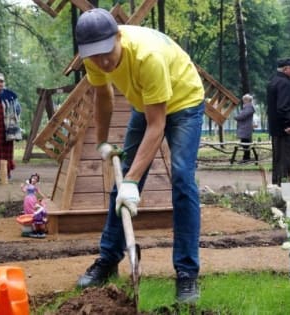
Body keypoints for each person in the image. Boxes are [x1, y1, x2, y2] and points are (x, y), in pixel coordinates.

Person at [75, 8, 205, 303]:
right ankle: (108, 260)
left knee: (183, 180)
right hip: (145, 103)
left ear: (118, 36)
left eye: (107, 52)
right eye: (95, 55)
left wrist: (133, 180)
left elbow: (157, 126)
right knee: (120, 187)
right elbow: (103, 95)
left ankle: (187, 274)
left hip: (184, 104)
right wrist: (102, 141)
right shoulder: (93, 58)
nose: (103, 61)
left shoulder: (148, 57)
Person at [267, 58, 290, 186]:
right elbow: (283, 106)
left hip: (276, 129)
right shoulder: (285, 83)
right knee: (286, 160)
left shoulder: (274, 81)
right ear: (286, 69)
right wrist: (289, 124)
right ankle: (285, 190)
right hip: (285, 129)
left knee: (278, 159)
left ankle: (277, 187)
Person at [234, 94, 256, 163]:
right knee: (245, 144)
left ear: (247, 100)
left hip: (245, 129)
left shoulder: (249, 107)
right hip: (245, 129)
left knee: (246, 144)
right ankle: (246, 158)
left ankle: (246, 158)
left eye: (244, 100)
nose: (243, 101)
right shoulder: (247, 107)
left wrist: (236, 117)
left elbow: (242, 116)